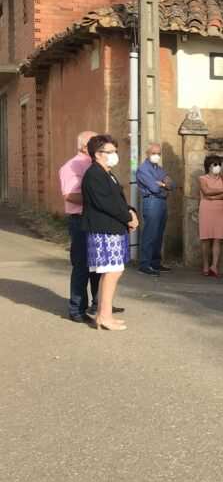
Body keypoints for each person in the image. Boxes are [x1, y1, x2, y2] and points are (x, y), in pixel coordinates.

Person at [81, 134, 138, 331]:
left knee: (113, 271)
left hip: (113, 228)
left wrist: (131, 212)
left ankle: (104, 314)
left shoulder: (107, 174)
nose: (115, 155)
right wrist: (128, 217)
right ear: (97, 154)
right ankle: (103, 317)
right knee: (112, 272)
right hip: (103, 229)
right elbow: (106, 203)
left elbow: (118, 201)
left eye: (115, 151)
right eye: (110, 151)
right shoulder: (94, 174)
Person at [59, 130, 101, 323]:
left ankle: (99, 303)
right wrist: (97, 198)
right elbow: (69, 195)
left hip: (96, 220)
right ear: (85, 146)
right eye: (97, 143)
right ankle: (77, 309)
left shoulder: (94, 164)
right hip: (81, 221)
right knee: (82, 266)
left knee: (98, 266)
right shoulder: (72, 166)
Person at [135, 142, 173, 276]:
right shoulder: (143, 169)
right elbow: (154, 188)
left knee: (158, 234)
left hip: (161, 201)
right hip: (151, 201)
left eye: (158, 153)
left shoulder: (158, 168)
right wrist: (163, 184)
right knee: (150, 233)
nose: (156, 156)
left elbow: (171, 184)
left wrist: (162, 184)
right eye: (153, 153)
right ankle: (144, 264)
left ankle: (155, 263)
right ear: (147, 154)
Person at [197, 155, 223, 278]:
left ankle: (214, 266)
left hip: (220, 210)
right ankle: (205, 265)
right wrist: (221, 191)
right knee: (205, 238)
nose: (218, 167)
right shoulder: (202, 178)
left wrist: (213, 197)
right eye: (215, 164)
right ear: (208, 166)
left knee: (217, 238)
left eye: (219, 164)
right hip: (206, 210)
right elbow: (206, 191)